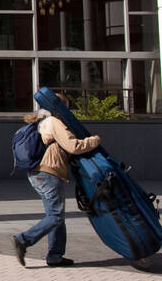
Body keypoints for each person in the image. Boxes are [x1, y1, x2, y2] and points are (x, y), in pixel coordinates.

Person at [12, 105, 100, 268]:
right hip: (48, 173)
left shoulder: (39, 124)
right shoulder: (53, 121)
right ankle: (23, 240)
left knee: (55, 216)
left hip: (37, 174)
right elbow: (73, 146)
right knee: (56, 216)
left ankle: (55, 256)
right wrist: (94, 140)